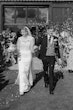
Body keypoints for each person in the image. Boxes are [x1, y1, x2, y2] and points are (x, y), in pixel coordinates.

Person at [36, 28, 60, 94]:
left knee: (51, 72)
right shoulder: (43, 37)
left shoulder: (55, 38)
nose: (51, 32)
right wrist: (39, 36)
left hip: (52, 57)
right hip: (44, 57)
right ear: (47, 31)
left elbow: (57, 48)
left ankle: (51, 89)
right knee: (45, 70)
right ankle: (46, 80)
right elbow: (37, 43)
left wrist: (59, 58)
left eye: (52, 31)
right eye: (50, 31)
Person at [15, 26, 35, 95]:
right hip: (21, 56)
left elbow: (32, 49)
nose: (22, 33)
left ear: (27, 32)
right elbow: (17, 48)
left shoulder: (32, 39)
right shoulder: (19, 39)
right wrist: (18, 54)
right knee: (21, 71)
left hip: (28, 55)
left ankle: (27, 85)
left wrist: (35, 50)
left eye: (23, 32)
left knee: (26, 71)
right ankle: (22, 89)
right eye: (21, 32)